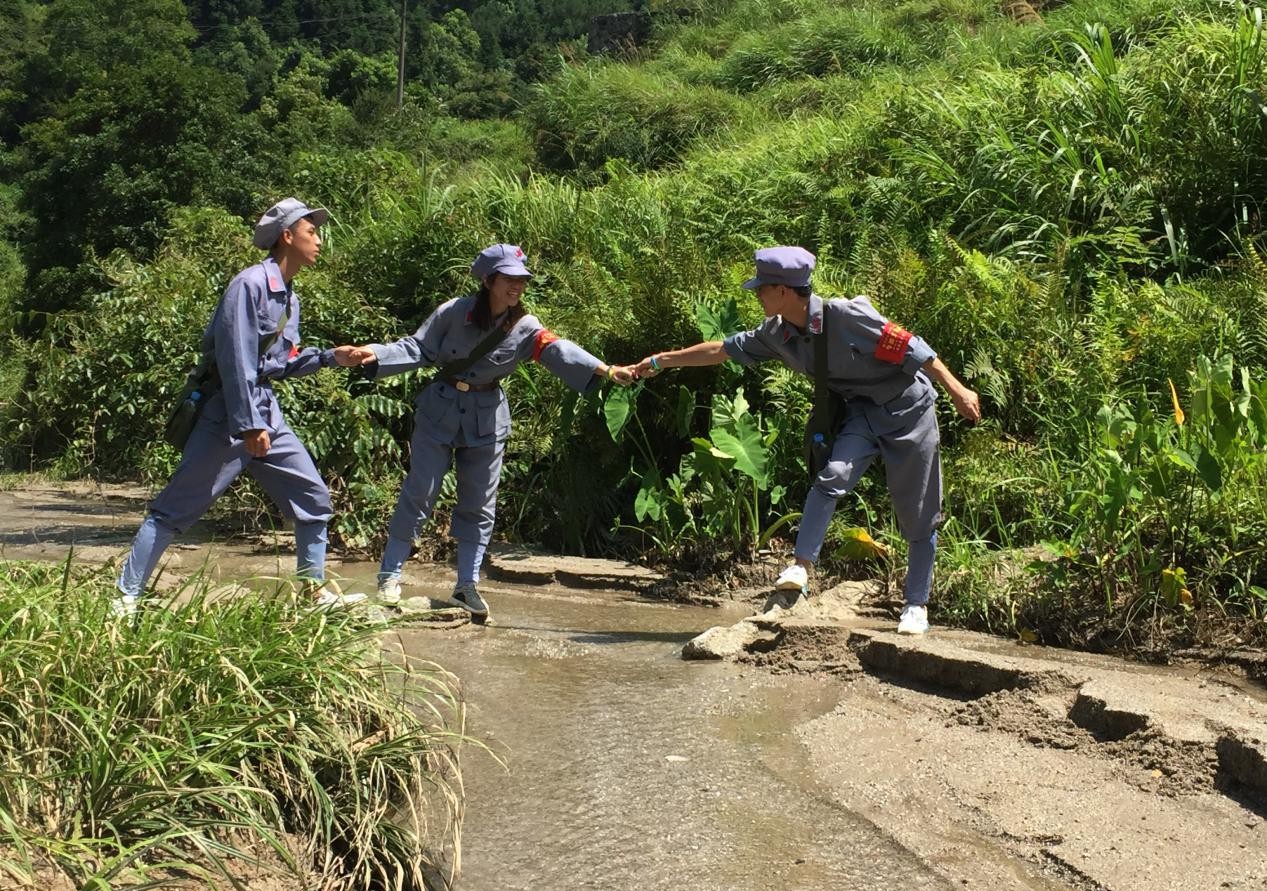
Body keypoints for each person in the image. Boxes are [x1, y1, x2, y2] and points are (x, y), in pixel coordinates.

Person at [633, 246, 981, 635]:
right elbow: (722, 349)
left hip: (908, 411)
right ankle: (801, 567)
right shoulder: (777, 334)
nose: (756, 295)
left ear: (783, 291)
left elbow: (914, 349)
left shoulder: (846, 317)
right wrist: (661, 360)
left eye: (760, 289)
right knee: (831, 476)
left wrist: (957, 390)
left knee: (918, 512)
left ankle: (916, 605)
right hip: (862, 413)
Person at [342, 243, 635, 620]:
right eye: (509, 279)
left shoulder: (525, 327)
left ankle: (467, 585)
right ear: (488, 280)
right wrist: (375, 354)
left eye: (522, 280)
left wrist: (606, 370)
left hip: (487, 418)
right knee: (421, 491)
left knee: (479, 503)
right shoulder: (453, 312)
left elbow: (557, 349)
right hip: (440, 412)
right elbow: (418, 347)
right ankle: (389, 576)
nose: (517, 287)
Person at [112, 198, 367, 615]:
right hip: (226, 414)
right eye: (311, 231)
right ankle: (126, 597)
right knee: (174, 509)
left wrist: (330, 357)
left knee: (313, 498)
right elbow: (235, 361)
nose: (318, 240)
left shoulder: (289, 298)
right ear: (287, 236)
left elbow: (277, 364)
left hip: (265, 410)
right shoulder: (248, 285)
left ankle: (311, 596)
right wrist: (248, 425)